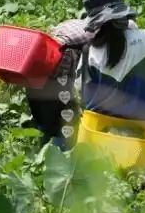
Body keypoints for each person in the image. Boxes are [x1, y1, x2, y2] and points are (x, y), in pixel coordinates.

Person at [77, 0, 145, 186]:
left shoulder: (89, 52)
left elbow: (80, 88)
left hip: (98, 131)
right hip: (140, 126)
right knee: (142, 184)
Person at [24, 18, 95, 151]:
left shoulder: (62, 54)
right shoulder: (48, 46)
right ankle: (53, 146)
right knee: (54, 111)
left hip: (61, 54)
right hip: (66, 49)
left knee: (53, 112)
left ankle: (52, 147)